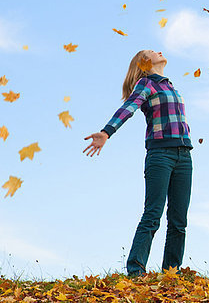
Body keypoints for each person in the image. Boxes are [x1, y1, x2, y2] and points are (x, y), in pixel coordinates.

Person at [83, 49, 194, 277]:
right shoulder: (146, 84)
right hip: (160, 155)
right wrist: (106, 132)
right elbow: (129, 108)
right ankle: (135, 269)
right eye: (152, 51)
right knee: (153, 214)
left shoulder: (170, 85)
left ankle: (171, 272)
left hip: (184, 155)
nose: (158, 51)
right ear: (143, 63)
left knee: (179, 220)